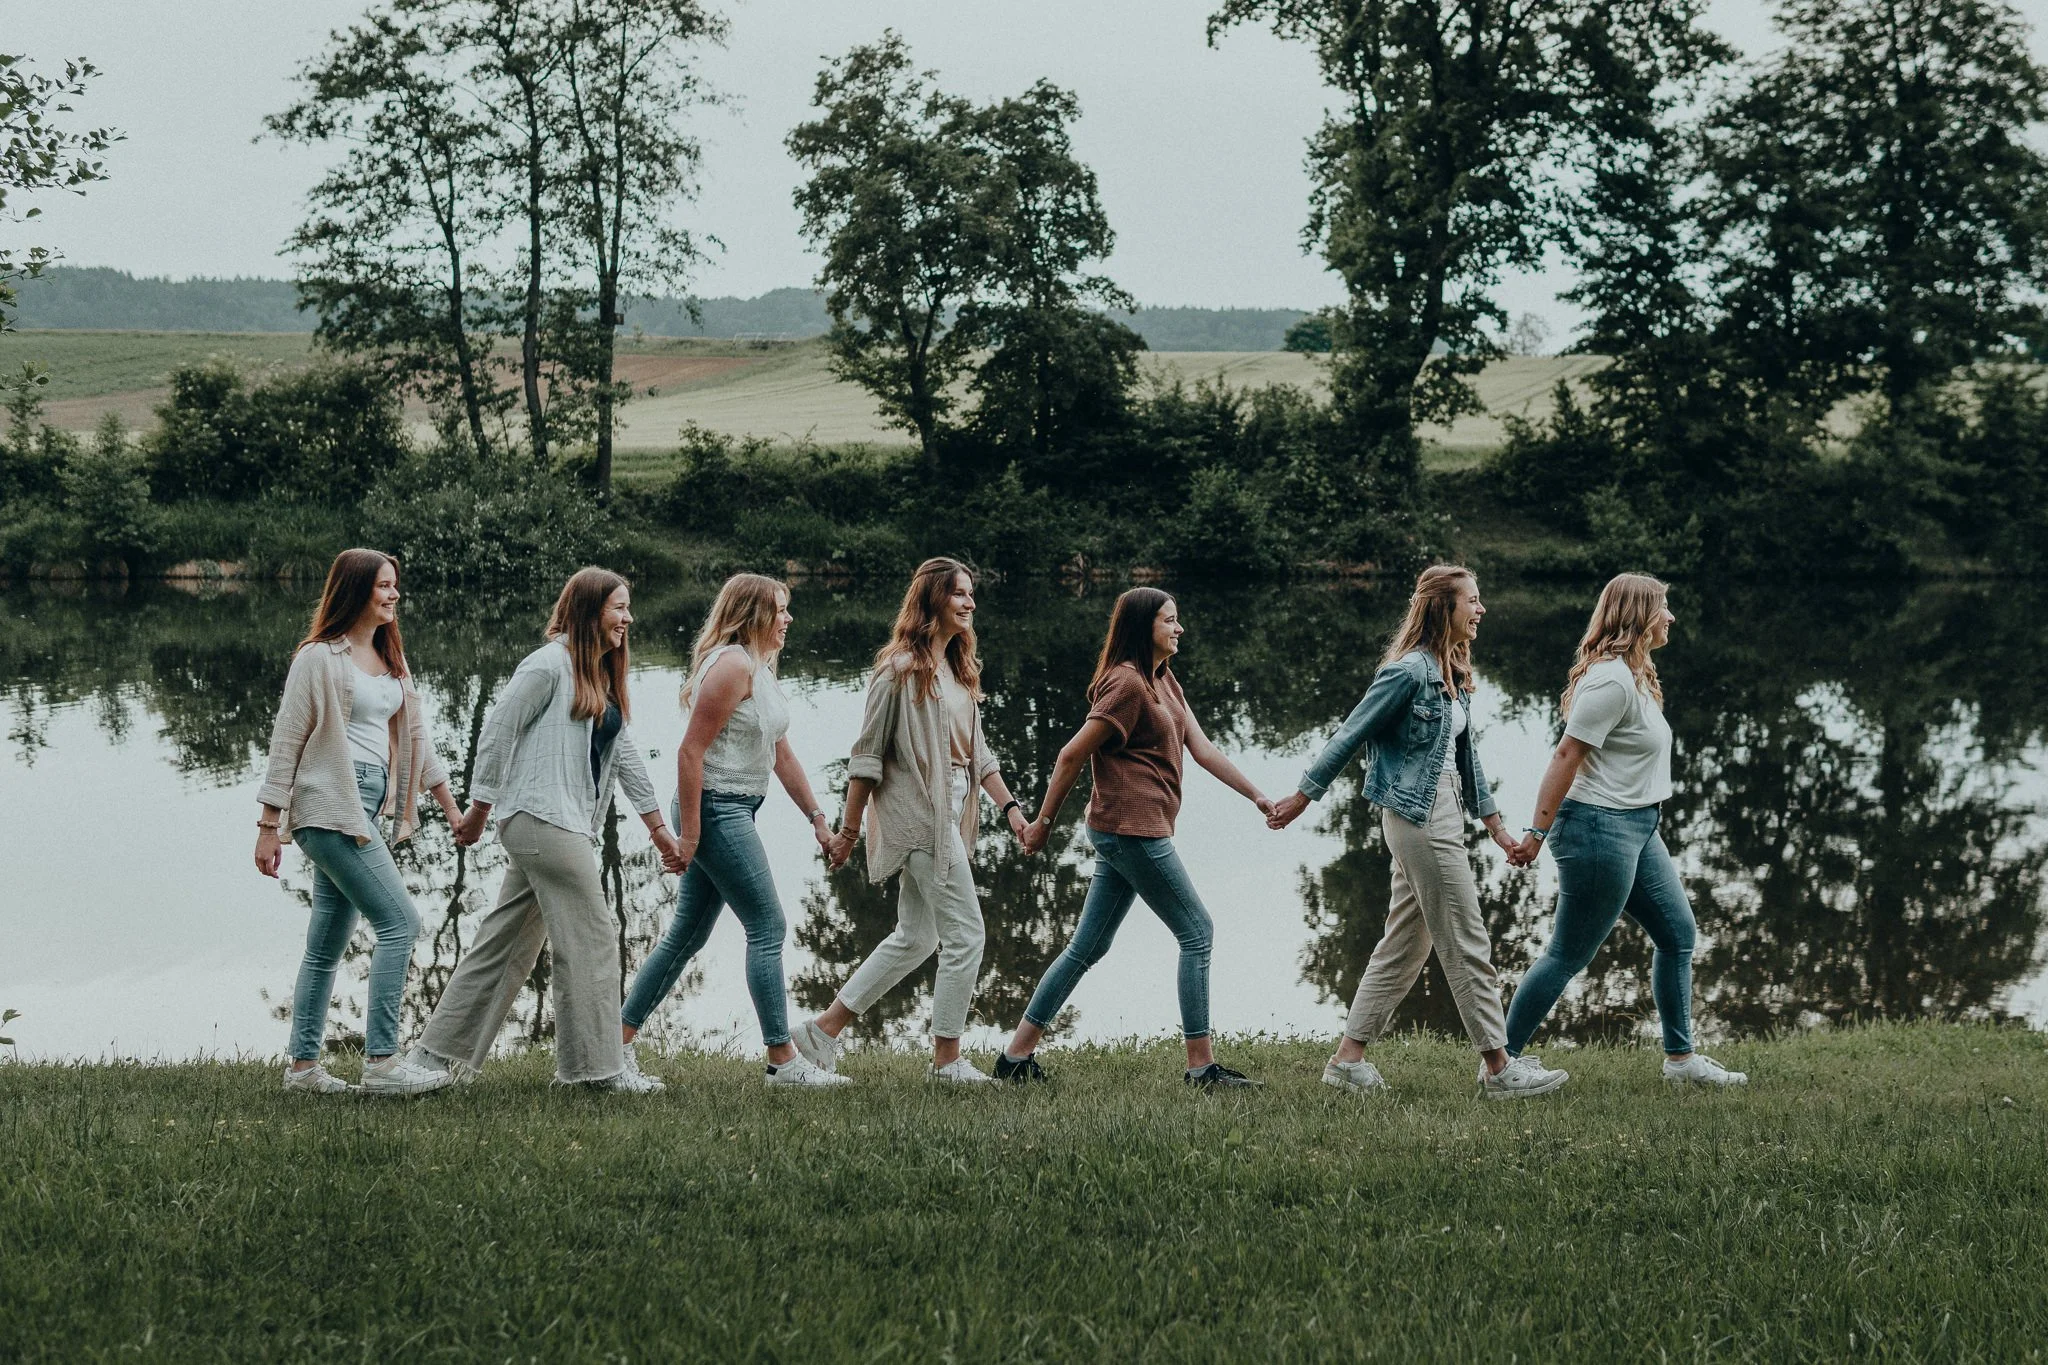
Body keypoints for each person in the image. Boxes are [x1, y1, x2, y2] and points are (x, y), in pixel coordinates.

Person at [1268, 565, 1569, 1100]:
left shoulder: (1449, 669)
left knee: (1406, 942)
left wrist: (1496, 827)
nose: (1481, 610)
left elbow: (1464, 757)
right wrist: (1302, 796)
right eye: (1472, 601)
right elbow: (1349, 734)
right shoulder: (1407, 673)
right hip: (1418, 818)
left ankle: (1347, 1061)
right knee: (1465, 934)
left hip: (1443, 812)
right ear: (1442, 608)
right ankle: (1499, 1068)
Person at [407, 567, 685, 1092]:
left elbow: (623, 754)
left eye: (628, 608)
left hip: (560, 823)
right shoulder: (547, 665)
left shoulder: (596, 673)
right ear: (589, 610)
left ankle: (430, 1057)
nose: (629, 618)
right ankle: (596, 1070)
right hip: (541, 819)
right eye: (619, 607)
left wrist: (657, 831)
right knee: (595, 937)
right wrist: (478, 813)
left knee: (506, 944)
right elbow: (496, 734)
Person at [996, 587, 1274, 1089]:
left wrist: (1256, 795)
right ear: (1143, 626)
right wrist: (1041, 825)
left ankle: (1015, 1059)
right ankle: (1201, 1068)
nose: (1179, 628)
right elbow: (1070, 756)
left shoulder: (1163, 679)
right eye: (1170, 619)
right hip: (1131, 830)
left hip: (1127, 831)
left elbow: (1202, 748)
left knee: (1088, 947)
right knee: (1197, 932)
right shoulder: (1125, 685)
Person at [790, 558, 1030, 1084]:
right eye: (958, 594)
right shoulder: (898, 670)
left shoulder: (959, 670)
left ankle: (821, 1032)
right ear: (931, 600)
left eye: (971, 594)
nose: (969, 603)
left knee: (917, 937)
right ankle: (947, 1060)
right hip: (919, 820)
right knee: (967, 935)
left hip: (950, 819)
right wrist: (848, 832)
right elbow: (866, 758)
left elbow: (980, 757)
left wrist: (1013, 813)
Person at [1504, 573, 1747, 1088]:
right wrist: (1536, 834)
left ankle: (1680, 1063)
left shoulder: (1635, 673)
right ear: (1639, 616)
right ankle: (1501, 1064)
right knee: (1568, 953)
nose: (1671, 618)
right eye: (1663, 608)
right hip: (1598, 828)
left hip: (1638, 825)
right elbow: (1567, 755)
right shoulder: (1610, 679)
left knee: (1678, 934)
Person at [618, 575, 849, 1087]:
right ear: (753, 614)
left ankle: (616, 1044)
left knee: (686, 936)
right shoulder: (732, 665)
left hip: (734, 810)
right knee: (767, 927)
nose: (788, 620)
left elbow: (780, 752)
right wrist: (694, 838)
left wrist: (816, 819)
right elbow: (689, 752)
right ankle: (783, 1060)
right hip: (716, 810)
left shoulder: (759, 667)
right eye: (781, 610)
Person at [256, 548, 461, 1097]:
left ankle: (302, 1070)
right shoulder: (319, 658)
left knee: (326, 943)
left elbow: (417, 740)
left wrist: (450, 807)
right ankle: (383, 1062)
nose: (394, 595)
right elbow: (287, 741)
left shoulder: (392, 659)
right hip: (328, 806)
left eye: (396, 586)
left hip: (366, 804)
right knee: (401, 922)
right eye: (384, 586)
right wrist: (268, 824)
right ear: (356, 590)